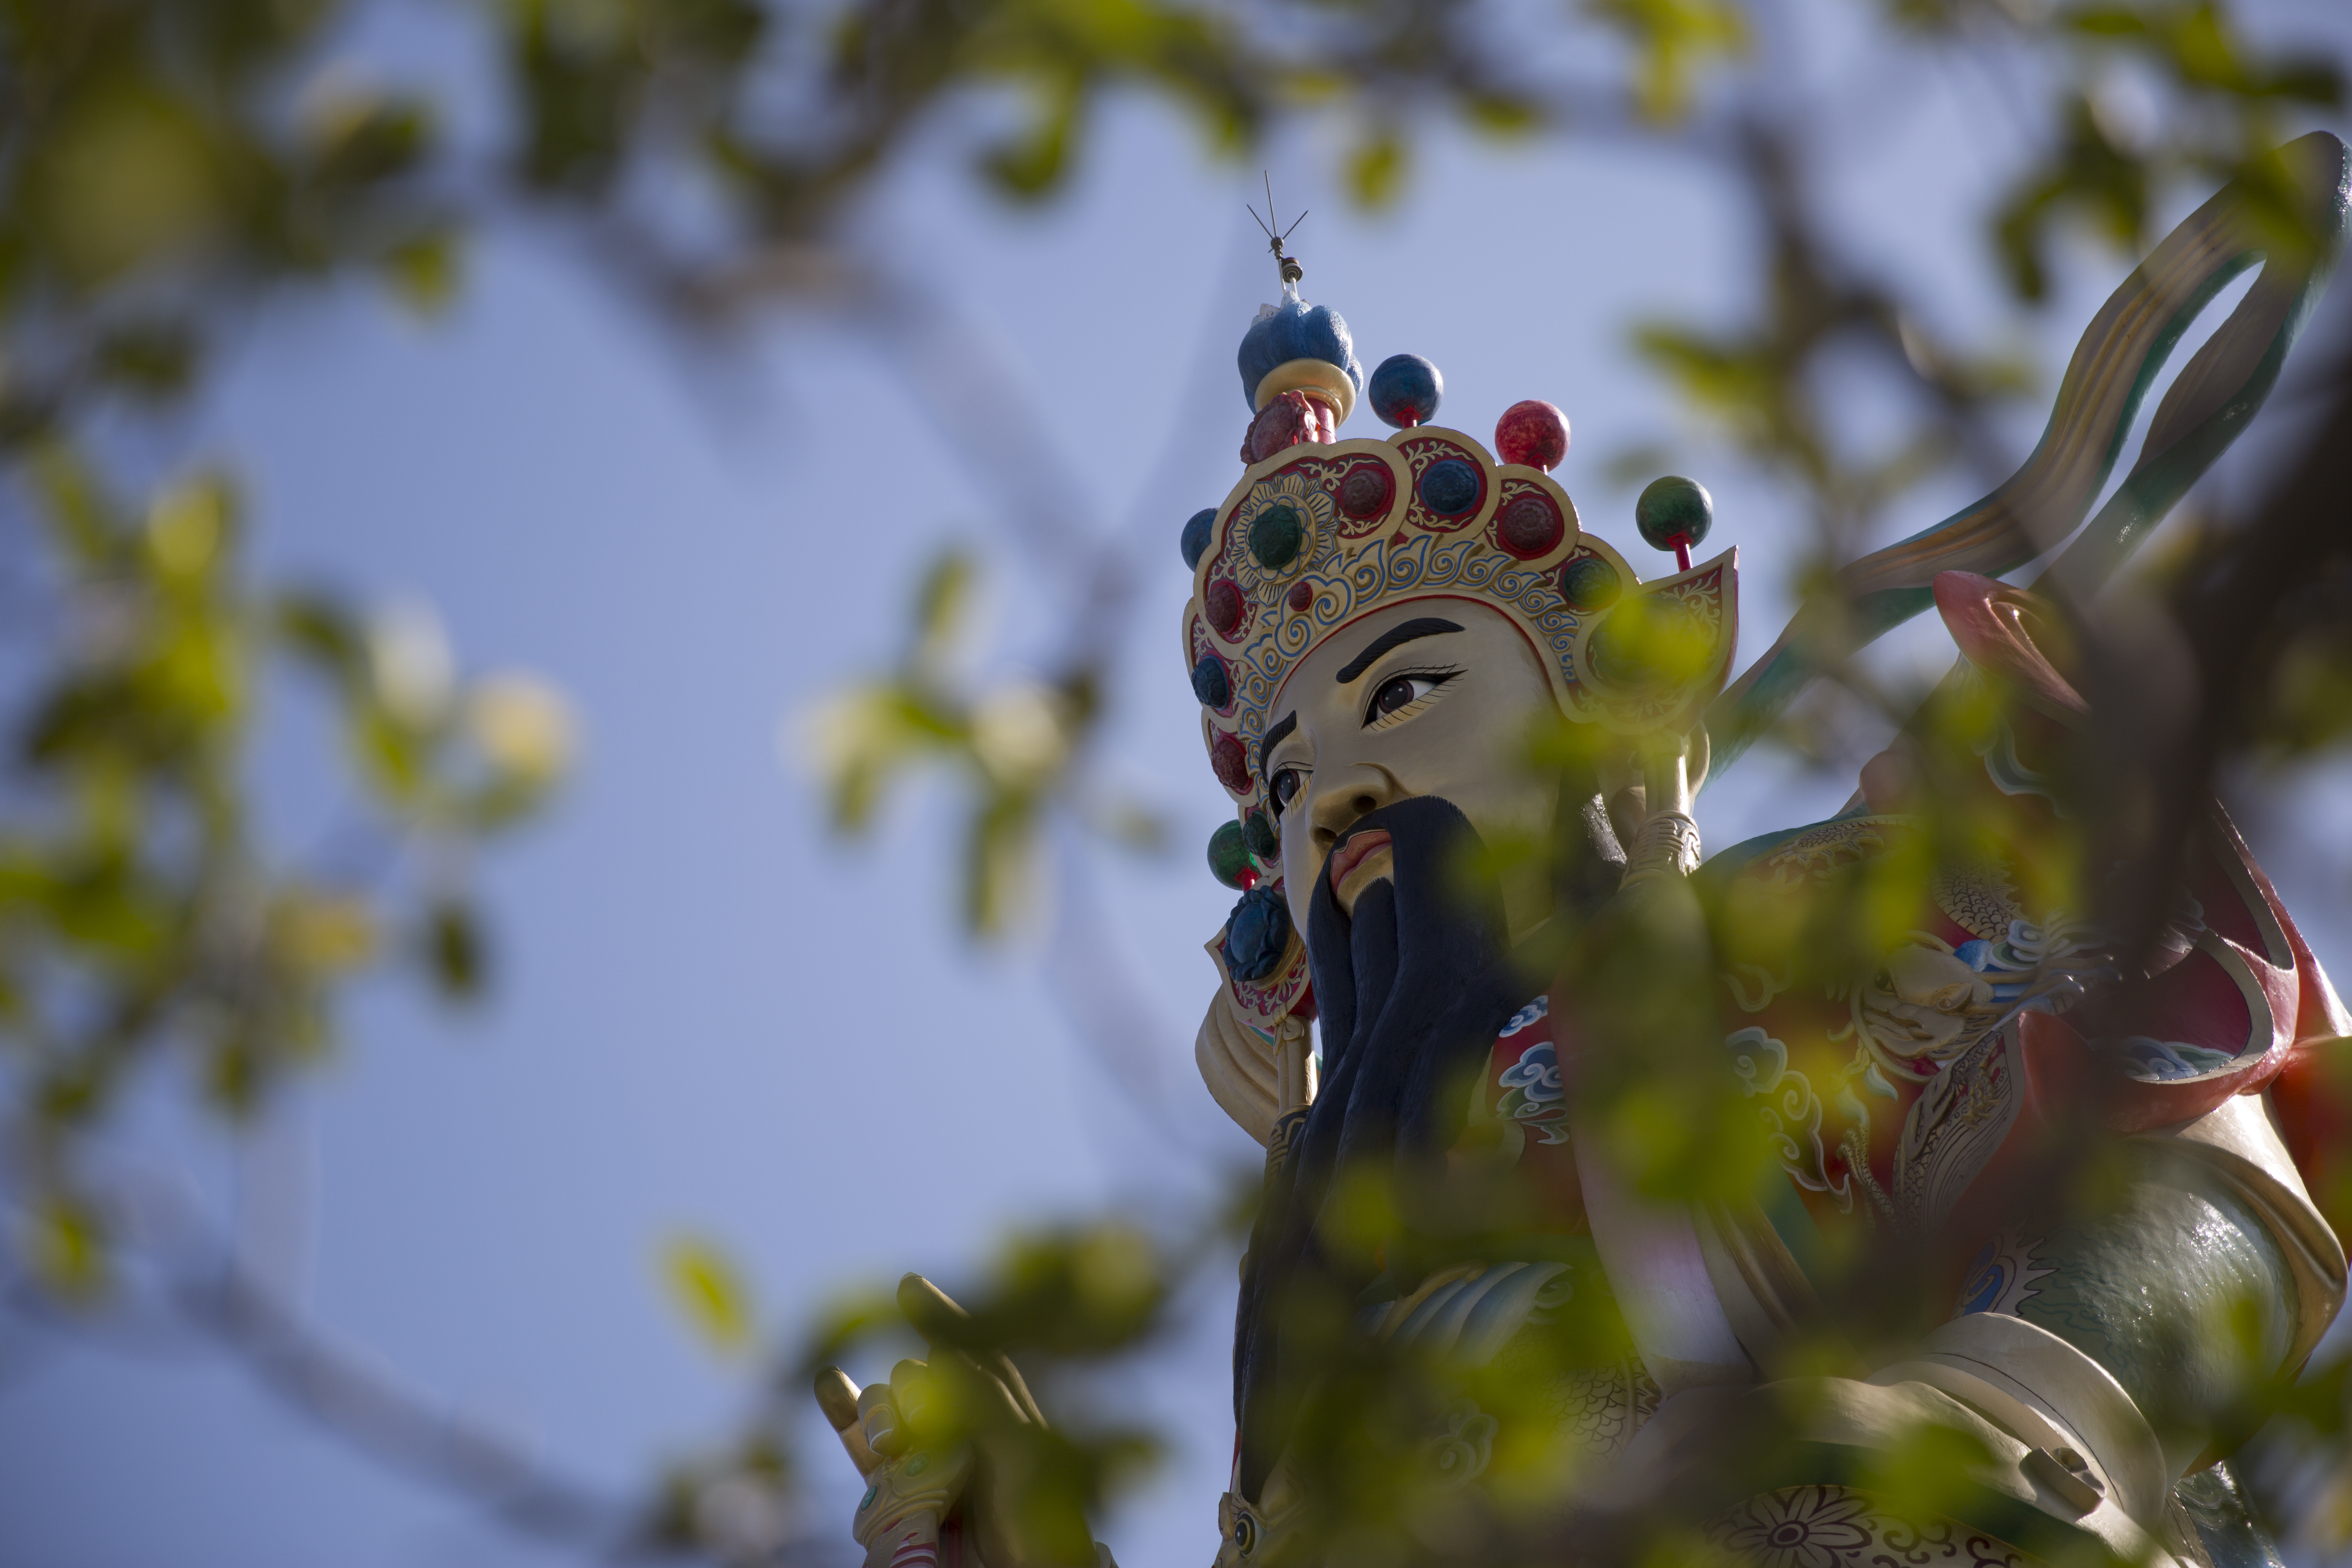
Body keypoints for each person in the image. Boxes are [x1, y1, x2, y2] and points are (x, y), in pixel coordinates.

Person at [820, 134, 2352, 1568]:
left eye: (1405, 698)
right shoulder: (1328, 1189)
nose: (1337, 799)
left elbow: (2187, 1159)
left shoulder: (1801, 915)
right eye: (1286, 788)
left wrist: (2007, 1403)